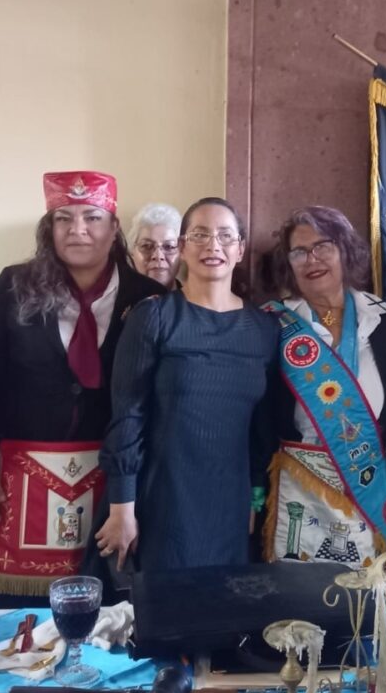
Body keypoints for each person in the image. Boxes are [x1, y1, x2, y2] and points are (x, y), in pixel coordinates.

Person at [0, 172, 165, 606]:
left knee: (107, 604)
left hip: (113, 476)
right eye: (64, 218)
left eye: (92, 217)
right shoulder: (13, 286)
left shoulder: (149, 296)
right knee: (24, 613)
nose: (78, 229)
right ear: (49, 228)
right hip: (20, 475)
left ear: (114, 227)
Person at [91, 197, 277, 572]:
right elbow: (128, 414)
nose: (213, 245)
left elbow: (261, 428)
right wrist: (121, 507)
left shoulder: (263, 329)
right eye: (200, 235)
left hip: (231, 500)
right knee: (164, 615)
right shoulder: (154, 317)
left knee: (223, 616)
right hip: (162, 498)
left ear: (240, 248)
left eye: (226, 236)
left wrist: (256, 499)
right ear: (182, 247)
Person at [262, 206, 386, 568]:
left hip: (368, 482)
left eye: (323, 246)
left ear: (345, 249)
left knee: (363, 606)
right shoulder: (271, 324)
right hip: (299, 489)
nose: (312, 259)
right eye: (299, 251)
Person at [127, 203, 183, 289]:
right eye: (146, 246)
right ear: (132, 253)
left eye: (169, 247)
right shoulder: (117, 300)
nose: (158, 256)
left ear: (182, 254)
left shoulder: (194, 301)